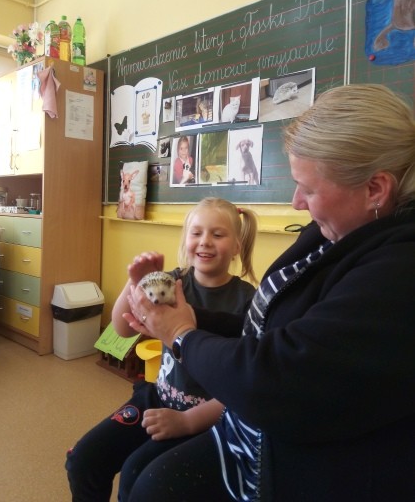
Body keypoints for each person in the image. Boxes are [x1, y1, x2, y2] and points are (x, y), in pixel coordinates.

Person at [124, 84, 415, 502]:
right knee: (139, 474)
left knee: (153, 488)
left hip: (300, 458)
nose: (297, 202)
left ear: (375, 189)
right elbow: (268, 328)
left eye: (308, 189)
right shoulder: (337, 230)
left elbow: (278, 376)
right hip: (250, 422)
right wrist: (189, 317)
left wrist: (181, 335)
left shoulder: (397, 270)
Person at [65, 197, 258, 502]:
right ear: (185, 240)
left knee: (136, 477)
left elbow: (242, 385)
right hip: (158, 398)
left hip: (206, 419)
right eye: (196, 233)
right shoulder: (172, 282)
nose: (205, 241)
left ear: (237, 245)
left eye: (218, 234)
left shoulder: (248, 302)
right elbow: (123, 328)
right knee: (83, 460)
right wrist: (135, 283)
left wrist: (187, 421)